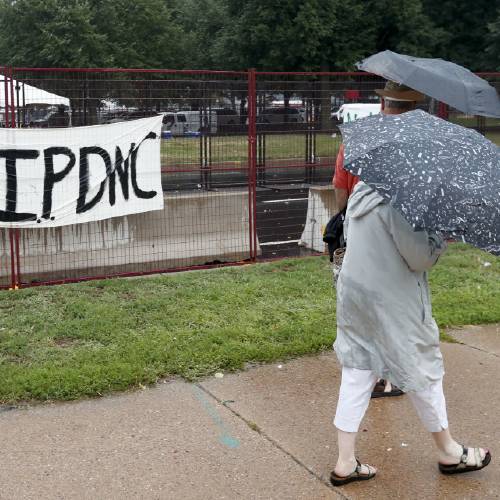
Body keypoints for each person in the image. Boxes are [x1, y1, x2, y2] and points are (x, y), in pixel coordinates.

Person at [330, 81, 491, 486]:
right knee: (422, 369)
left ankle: (345, 461)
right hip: (393, 298)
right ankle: (449, 452)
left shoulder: (369, 183)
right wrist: (439, 240)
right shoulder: (402, 201)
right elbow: (418, 257)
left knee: (358, 367)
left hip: (355, 290)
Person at [333, 82, 424, 398]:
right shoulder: (418, 144)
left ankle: (366, 373)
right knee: (396, 306)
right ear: (415, 106)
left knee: (361, 305)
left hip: (360, 233)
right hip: (400, 235)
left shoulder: (359, 137)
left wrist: (345, 217)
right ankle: (391, 375)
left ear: (383, 102)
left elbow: (341, 186)